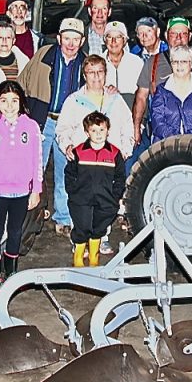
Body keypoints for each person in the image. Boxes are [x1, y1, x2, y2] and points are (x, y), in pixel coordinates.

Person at [16, 17, 87, 235]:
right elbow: (22, 83)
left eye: (75, 39)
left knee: (64, 172)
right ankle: (24, 215)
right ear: (59, 38)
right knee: (31, 169)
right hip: (43, 120)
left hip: (69, 126)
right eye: (67, 38)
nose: (71, 43)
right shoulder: (43, 56)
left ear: (82, 41)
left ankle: (63, 218)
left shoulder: (86, 64)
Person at [0, 81, 43, 292]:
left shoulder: (31, 126)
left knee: (15, 232)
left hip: (22, 191)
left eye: (14, 101)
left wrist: (36, 189)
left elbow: (37, 160)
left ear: (21, 102)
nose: (9, 106)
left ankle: (11, 268)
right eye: (4, 101)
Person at [132, 17, 192, 163]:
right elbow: (142, 98)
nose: (178, 38)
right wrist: (136, 128)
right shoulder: (153, 63)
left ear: (189, 36)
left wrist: (191, 141)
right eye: (174, 34)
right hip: (164, 142)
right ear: (166, 36)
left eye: (183, 34)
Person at [64, 111, 126, 267]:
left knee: (98, 228)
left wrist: (115, 195)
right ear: (86, 132)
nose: (98, 134)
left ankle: (94, 257)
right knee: (82, 227)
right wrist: (73, 191)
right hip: (81, 199)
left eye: (102, 130)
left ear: (107, 131)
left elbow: (120, 177)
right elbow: (69, 173)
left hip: (105, 200)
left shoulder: (114, 153)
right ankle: (78, 258)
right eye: (93, 130)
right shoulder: (78, 152)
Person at [57, 55, 134, 161]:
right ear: (84, 76)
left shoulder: (116, 100)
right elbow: (63, 129)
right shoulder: (73, 101)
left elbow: (127, 126)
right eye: (91, 72)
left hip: (111, 161)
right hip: (83, 161)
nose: (96, 76)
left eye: (100, 71)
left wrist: (125, 151)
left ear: (105, 74)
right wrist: (67, 146)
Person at [149, 45, 192, 143]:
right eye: (175, 62)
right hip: (166, 144)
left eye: (183, 61)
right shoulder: (161, 91)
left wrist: (188, 140)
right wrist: (176, 140)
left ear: (191, 63)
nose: (179, 66)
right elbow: (157, 123)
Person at [103, 21, 144, 110]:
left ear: (124, 40)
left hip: (131, 111)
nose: (113, 41)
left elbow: (142, 95)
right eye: (109, 37)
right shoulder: (98, 62)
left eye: (118, 37)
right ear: (105, 40)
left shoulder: (136, 62)